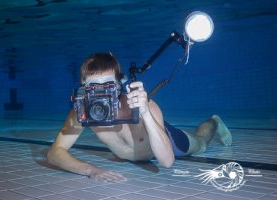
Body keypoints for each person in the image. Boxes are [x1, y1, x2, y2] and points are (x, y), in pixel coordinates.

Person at [47, 52, 232, 183]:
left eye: (108, 84)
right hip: (130, 156)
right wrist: (91, 170)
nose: (101, 93)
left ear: (120, 84)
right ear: (83, 86)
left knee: (201, 143)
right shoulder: (83, 112)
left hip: (164, 141)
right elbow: (55, 152)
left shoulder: (142, 105)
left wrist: (145, 112)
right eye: (94, 85)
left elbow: (167, 162)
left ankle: (214, 121)